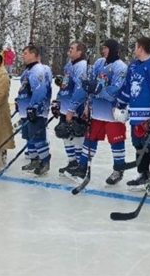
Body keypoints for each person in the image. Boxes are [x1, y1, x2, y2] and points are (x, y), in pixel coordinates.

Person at [65, 40, 129, 186]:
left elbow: (116, 90)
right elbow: (89, 86)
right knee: (90, 138)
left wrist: (99, 91)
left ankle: (118, 169)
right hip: (97, 112)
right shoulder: (99, 63)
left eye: (105, 48)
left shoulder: (121, 67)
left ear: (112, 49)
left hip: (113, 113)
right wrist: (86, 104)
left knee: (116, 141)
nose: (103, 50)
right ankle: (82, 167)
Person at [115, 37, 150, 193]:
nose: (134, 49)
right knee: (139, 146)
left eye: (136, 46)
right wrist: (120, 104)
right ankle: (143, 174)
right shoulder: (132, 66)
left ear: (142, 48)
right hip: (135, 115)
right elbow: (127, 88)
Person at [51, 41, 87, 177]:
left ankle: (79, 164)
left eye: (72, 48)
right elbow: (64, 87)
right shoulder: (68, 65)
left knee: (77, 136)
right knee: (64, 134)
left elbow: (81, 89)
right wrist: (57, 102)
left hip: (75, 109)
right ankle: (72, 162)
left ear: (80, 52)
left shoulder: (82, 66)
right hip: (64, 108)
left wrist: (73, 108)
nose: (69, 50)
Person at [17, 45, 53, 177]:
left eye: (25, 53)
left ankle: (44, 161)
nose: (23, 55)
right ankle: (34, 160)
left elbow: (40, 90)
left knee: (37, 137)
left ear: (33, 54)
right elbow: (25, 88)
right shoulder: (28, 70)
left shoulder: (37, 69)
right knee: (29, 136)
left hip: (35, 111)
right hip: (26, 109)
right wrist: (18, 100)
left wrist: (34, 106)